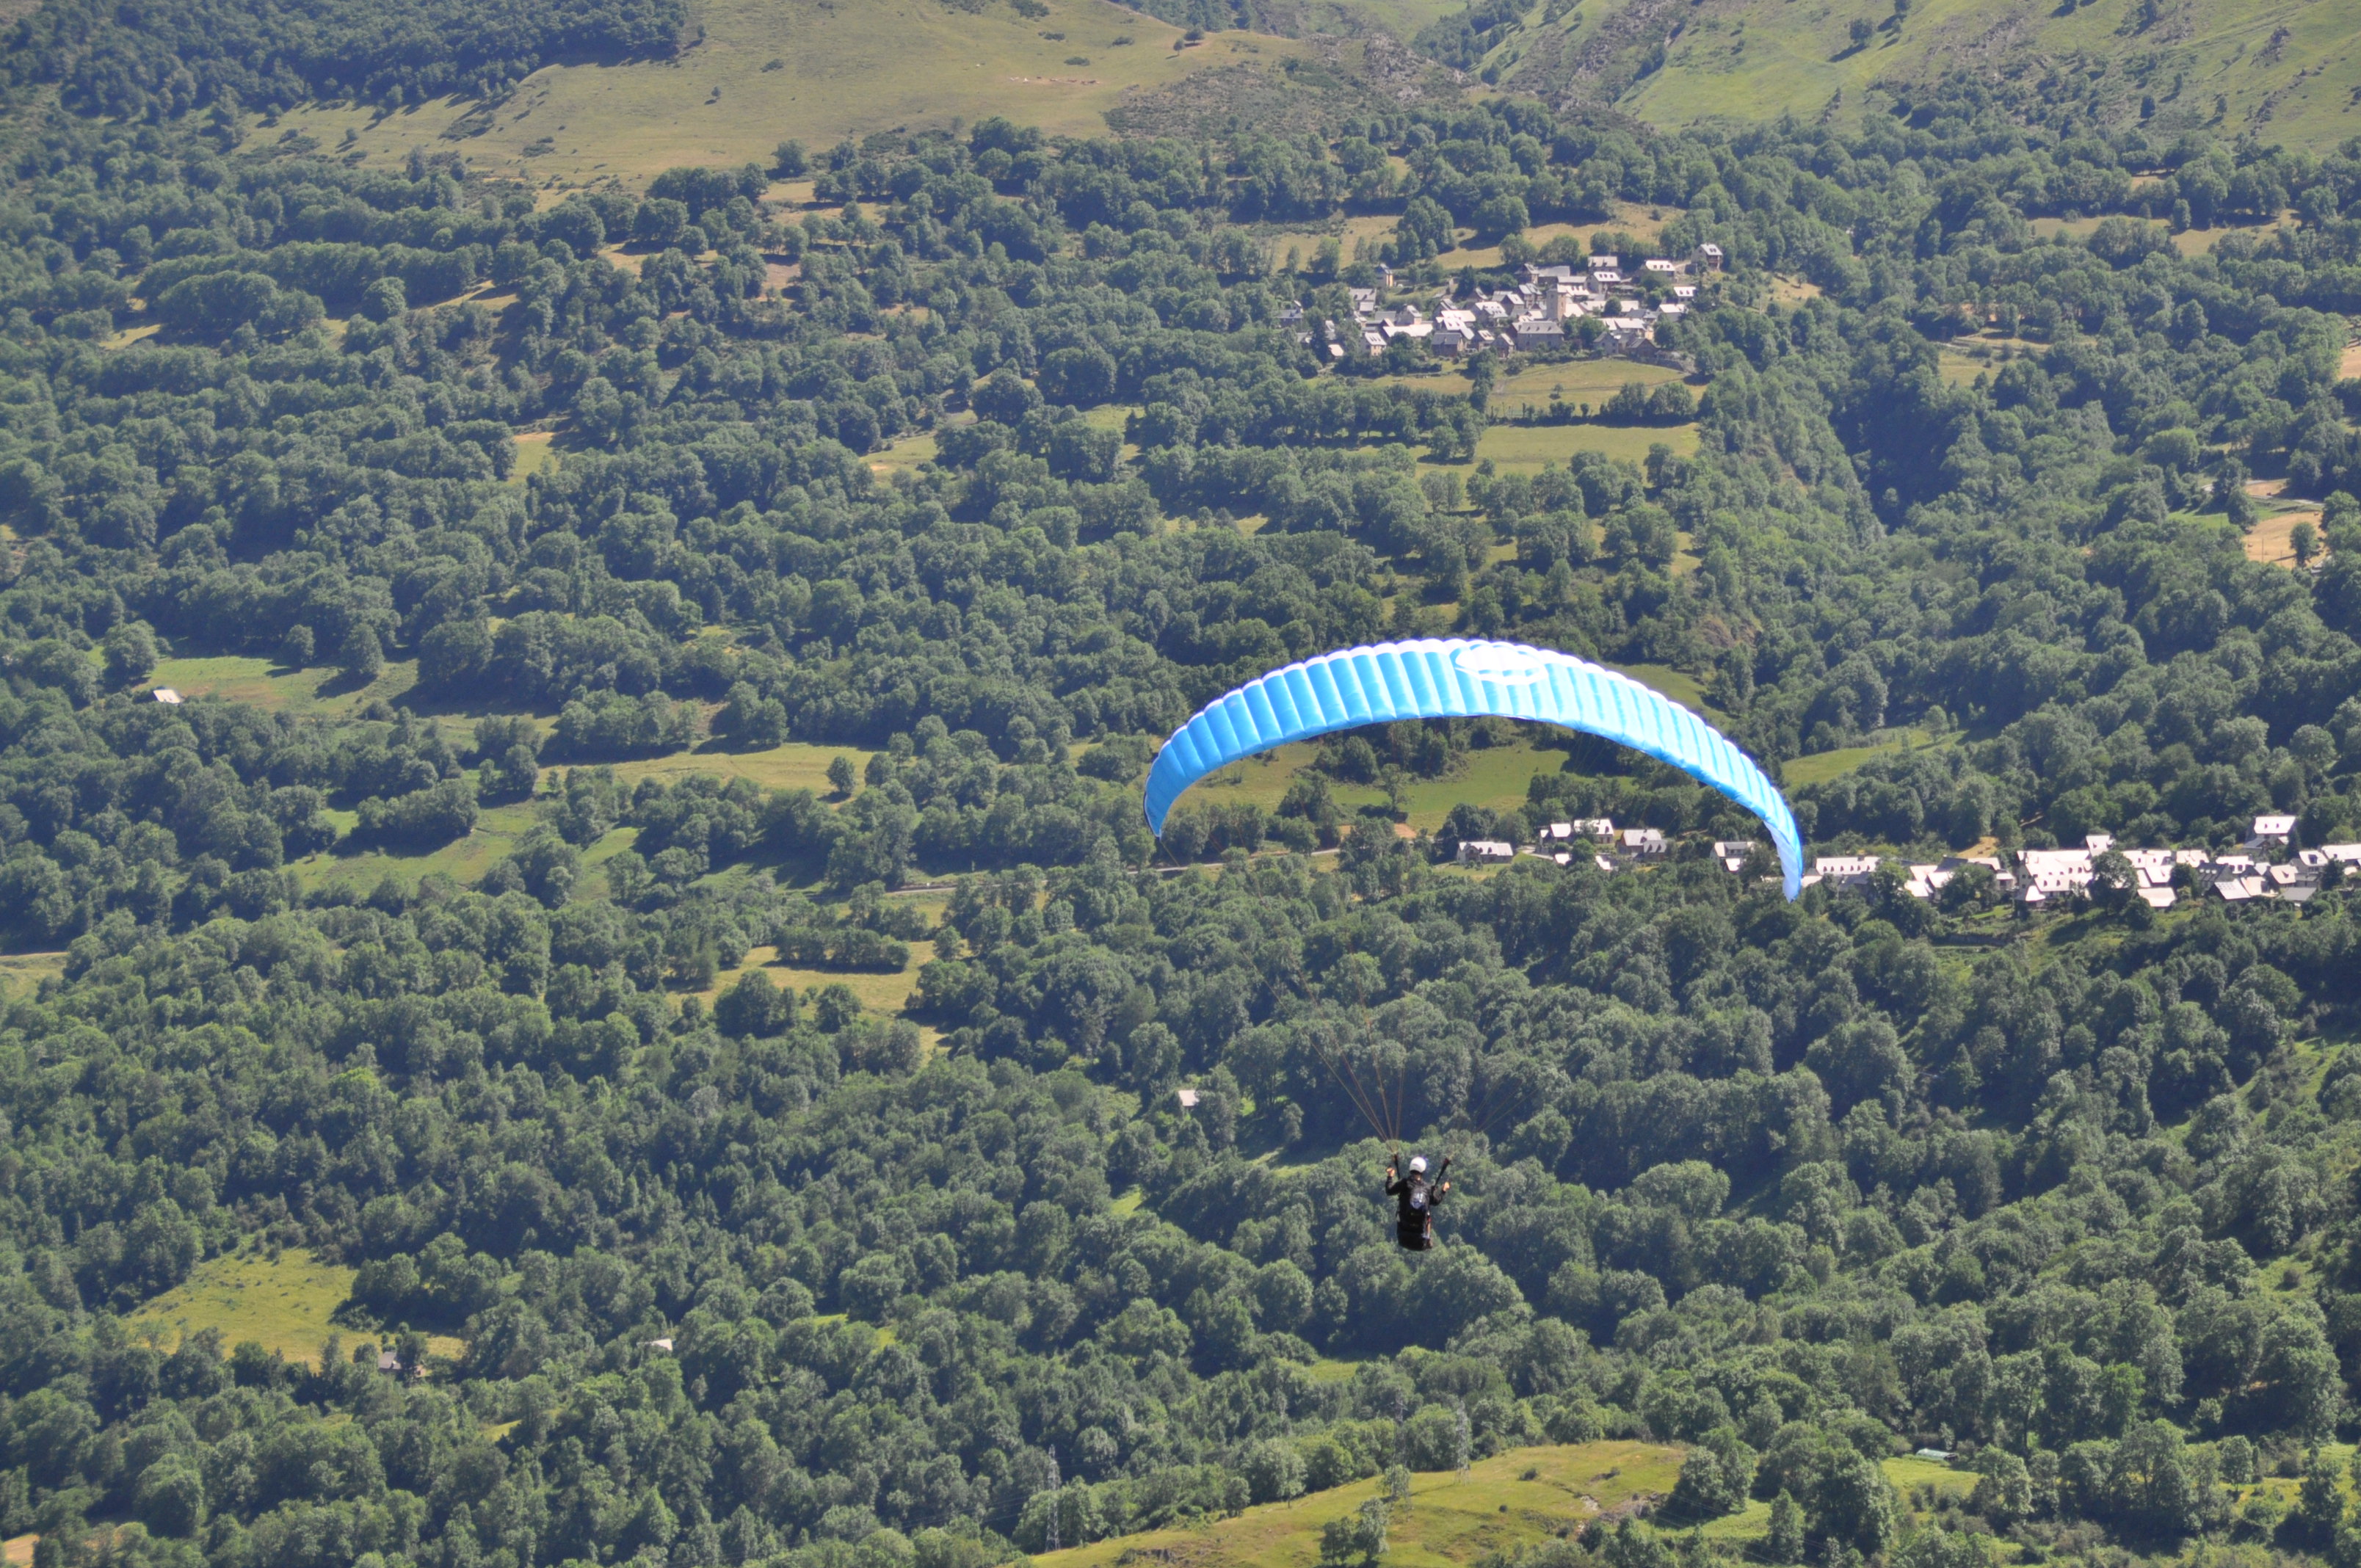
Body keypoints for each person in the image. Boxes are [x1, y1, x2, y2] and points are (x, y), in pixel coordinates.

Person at [1385, 1153, 1448, 1250]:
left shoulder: (1405, 1183)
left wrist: (1390, 1177)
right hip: (1420, 1242)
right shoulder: (1428, 1188)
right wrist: (1443, 1191)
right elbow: (1436, 1201)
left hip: (1403, 1237)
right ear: (1423, 1170)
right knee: (1428, 1213)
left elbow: (1389, 1191)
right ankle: (1428, 1238)